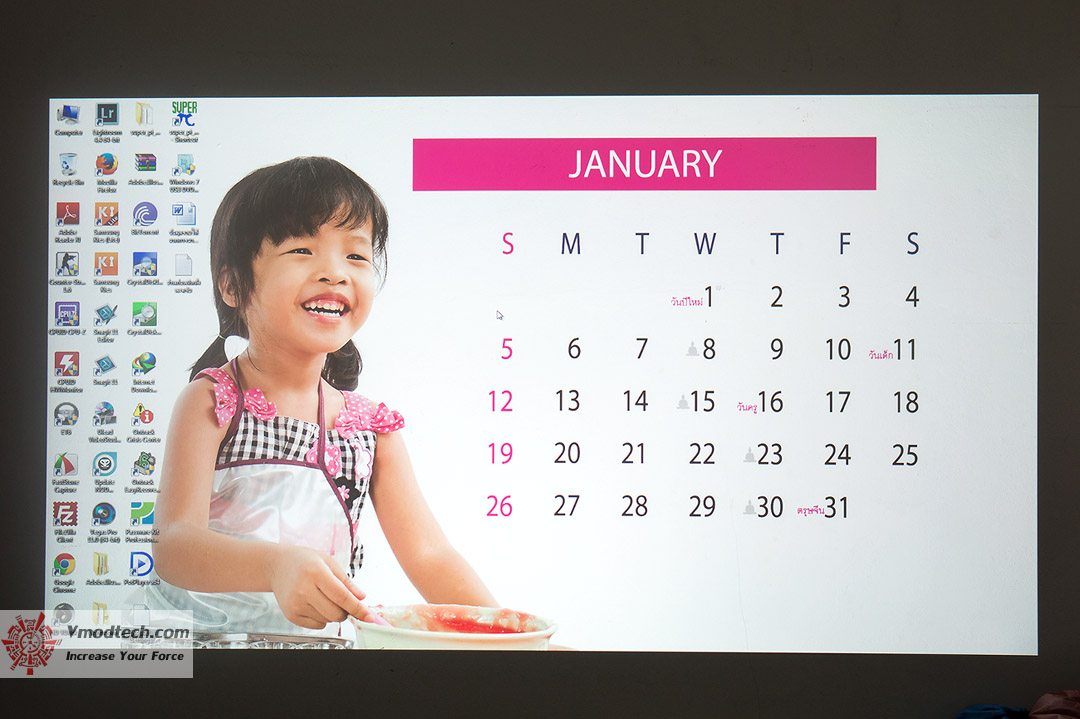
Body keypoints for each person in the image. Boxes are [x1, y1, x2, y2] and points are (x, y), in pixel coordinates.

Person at [149, 156, 496, 638]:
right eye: (301, 249)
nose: (335, 272)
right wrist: (276, 566)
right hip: (201, 654)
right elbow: (173, 544)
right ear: (232, 285)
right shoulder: (214, 401)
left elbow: (429, 555)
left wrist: (516, 640)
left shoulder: (370, 429)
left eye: (356, 256)